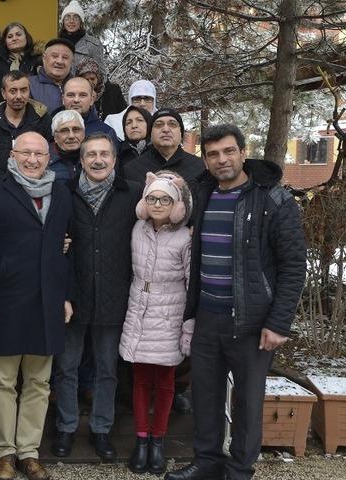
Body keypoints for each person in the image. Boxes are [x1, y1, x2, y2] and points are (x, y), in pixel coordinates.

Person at [165, 125, 306, 480]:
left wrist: (278, 323)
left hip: (252, 321)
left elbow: (293, 266)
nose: (221, 160)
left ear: (243, 153)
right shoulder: (203, 192)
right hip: (208, 317)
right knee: (206, 397)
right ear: (206, 160)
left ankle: (240, 469)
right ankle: (207, 461)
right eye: (213, 154)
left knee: (247, 402)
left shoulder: (272, 199)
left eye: (228, 151)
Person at [0, 132, 73, 480]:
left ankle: (29, 451)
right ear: (13, 155)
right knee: (2, 381)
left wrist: (66, 295)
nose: (32, 159)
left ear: (49, 157)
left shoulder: (60, 192)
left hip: (47, 302)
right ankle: (6, 453)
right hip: (4, 303)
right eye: (25, 153)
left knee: (39, 382)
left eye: (39, 154)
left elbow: (67, 249)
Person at [52, 132, 139, 463]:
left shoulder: (131, 193)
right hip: (73, 294)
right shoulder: (65, 193)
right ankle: (67, 426)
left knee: (107, 368)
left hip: (114, 294)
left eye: (105, 154)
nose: (98, 160)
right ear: (82, 160)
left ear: (115, 159)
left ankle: (102, 429)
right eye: (92, 155)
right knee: (67, 367)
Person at [120, 171, 193, 475]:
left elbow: (192, 284)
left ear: (177, 204)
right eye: (153, 198)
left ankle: (158, 440)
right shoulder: (137, 229)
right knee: (139, 378)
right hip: (139, 306)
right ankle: (140, 440)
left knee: (164, 382)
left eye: (165, 199)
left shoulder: (185, 236)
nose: (158, 204)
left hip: (170, 310)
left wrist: (189, 325)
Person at [0, 70, 51, 178]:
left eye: (23, 90)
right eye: (13, 91)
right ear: (4, 93)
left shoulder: (42, 120)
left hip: (33, 186)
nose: (19, 96)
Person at [126, 108, 204, 186]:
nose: (166, 129)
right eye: (159, 125)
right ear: (151, 134)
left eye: (172, 124)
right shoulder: (131, 169)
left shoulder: (201, 168)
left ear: (181, 133)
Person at [58, 76, 119, 141]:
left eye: (82, 95)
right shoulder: (51, 127)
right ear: (63, 99)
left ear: (92, 100)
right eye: (71, 95)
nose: (76, 100)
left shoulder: (105, 133)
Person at [28, 38, 76, 112]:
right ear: (44, 58)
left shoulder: (80, 86)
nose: (59, 61)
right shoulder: (28, 85)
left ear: (72, 62)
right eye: (54, 56)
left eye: (65, 57)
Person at [58, 0, 106, 75]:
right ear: (63, 22)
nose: (71, 21)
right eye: (67, 17)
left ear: (81, 22)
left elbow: (101, 75)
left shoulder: (93, 45)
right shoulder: (55, 43)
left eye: (76, 18)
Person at [48, 110, 84, 184]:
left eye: (76, 130)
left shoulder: (93, 155)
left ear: (84, 133)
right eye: (64, 131)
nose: (71, 136)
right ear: (55, 136)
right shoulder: (44, 160)